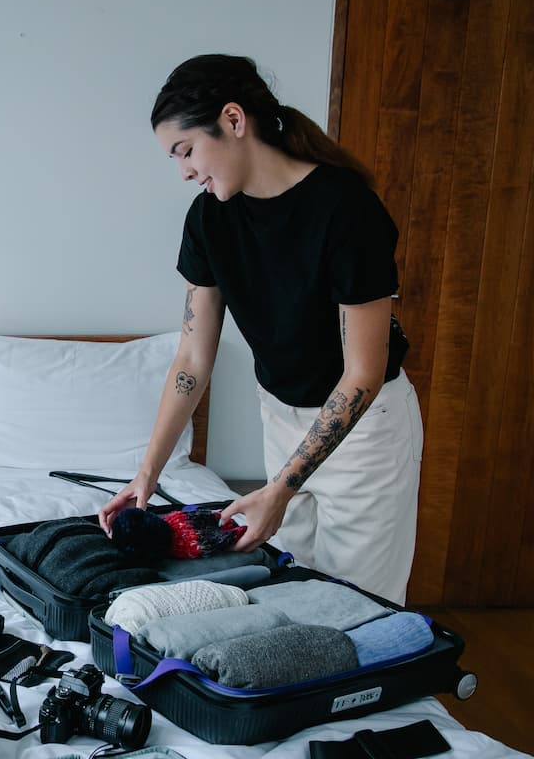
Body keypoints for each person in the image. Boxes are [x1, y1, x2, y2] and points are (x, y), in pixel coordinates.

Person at [98, 54, 423, 603]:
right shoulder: (209, 219)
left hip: (363, 433)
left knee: (359, 608)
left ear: (232, 120)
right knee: (293, 594)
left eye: (185, 151)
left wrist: (280, 489)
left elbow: (363, 374)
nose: (184, 172)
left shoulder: (345, 208)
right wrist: (147, 474)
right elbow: (192, 361)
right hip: (281, 418)